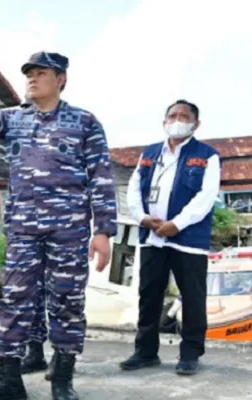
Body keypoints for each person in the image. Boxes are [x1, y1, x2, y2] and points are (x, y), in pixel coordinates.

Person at [0, 51, 118, 400]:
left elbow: (101, 179)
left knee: (67, 301)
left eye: (40, 72)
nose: (31, 78)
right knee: (15, 299)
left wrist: (103, 231)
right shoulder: (16, 120)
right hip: (24, 230)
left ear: (61, 79)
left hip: (69, 230)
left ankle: (62, 378)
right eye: (29, 73)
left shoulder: (84, 122)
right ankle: (9, 379)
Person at [121, 99, 220, 376]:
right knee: (149, 294)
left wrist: (176, 224)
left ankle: (190, 354)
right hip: (152, 237)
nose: (178, 120)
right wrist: (142, 218)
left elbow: (206, 197)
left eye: (184, 116)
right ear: (164, 121)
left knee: (192, 298)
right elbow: (133, 189)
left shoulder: (207, 156)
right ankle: (145, 352)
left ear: (195, 123)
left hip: (188, 240)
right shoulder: (150, 153)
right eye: (172, 115)